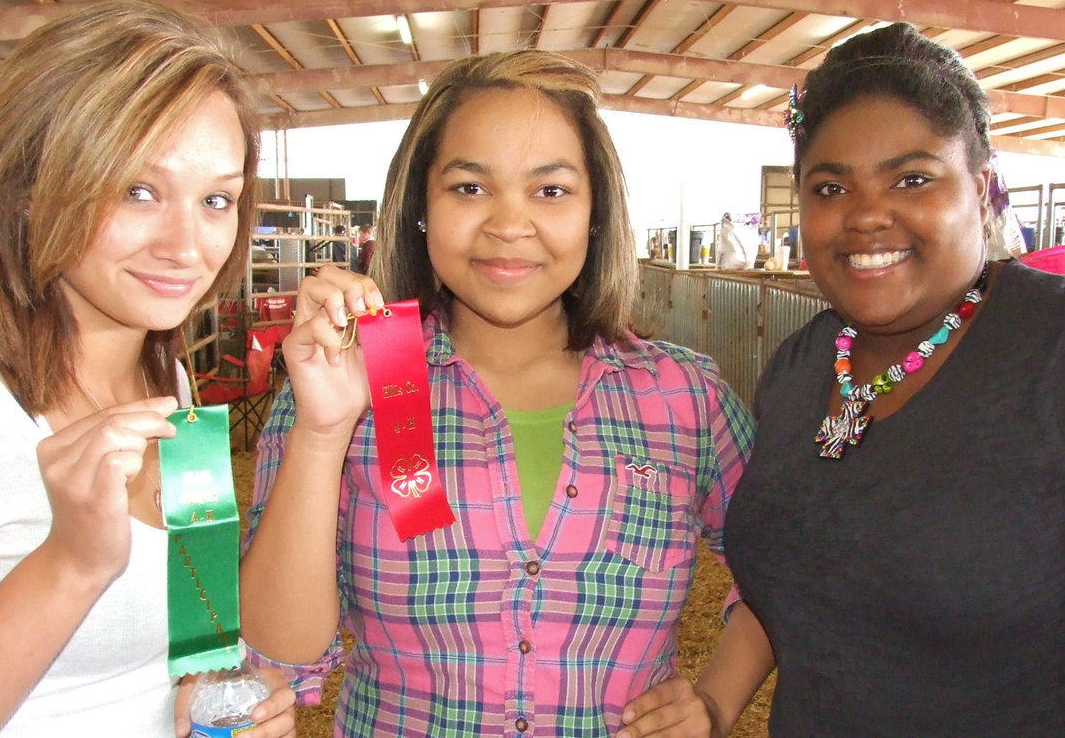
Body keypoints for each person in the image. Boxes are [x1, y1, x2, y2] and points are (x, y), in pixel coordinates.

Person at [240, 49, 771, 736]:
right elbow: (281, 649)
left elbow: (783, 568)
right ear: (421, 206)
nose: (508, 223)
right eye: (469, 187)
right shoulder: (357, 379)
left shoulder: (680, 395)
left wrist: (716, 701)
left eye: (550, 191)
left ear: (595, 214)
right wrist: (320, 430)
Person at [0, 1, 296, 737]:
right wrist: (70, 563)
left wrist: (218, 692)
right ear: (30, 183)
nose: (186, 244)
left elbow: (151, 653)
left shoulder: (164, 374)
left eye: (216, 199)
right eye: (138, 190)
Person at [725, 22, 1065, 735]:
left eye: (912, 178)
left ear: (982, 191)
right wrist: (711, 699)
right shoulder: (799, 369)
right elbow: (792, 588)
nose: (865, 215)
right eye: (831, 187)